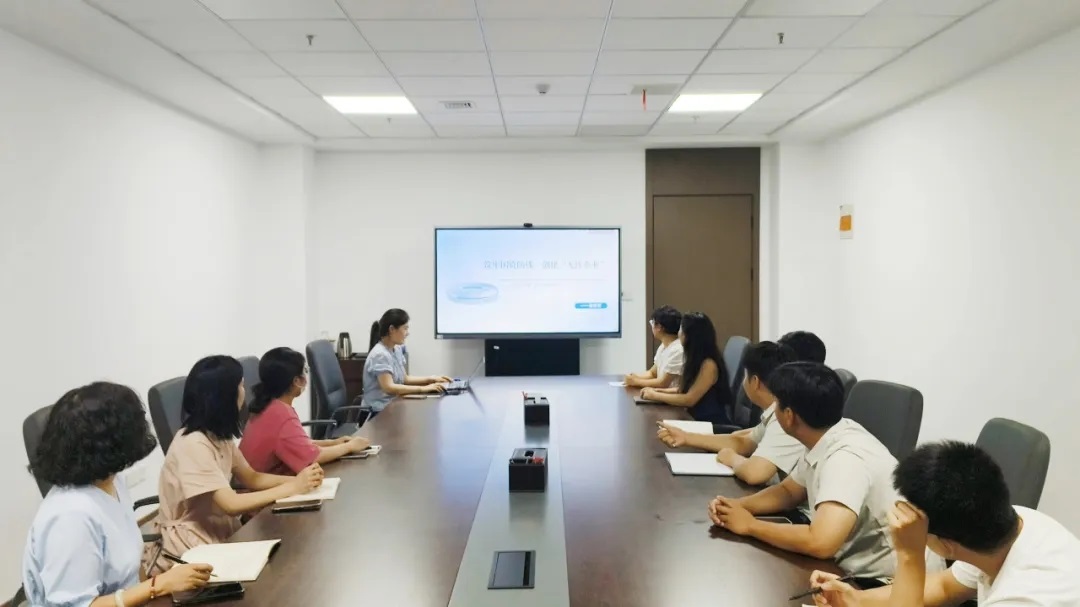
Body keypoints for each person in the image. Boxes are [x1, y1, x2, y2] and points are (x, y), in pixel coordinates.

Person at [810, 441, 1080, 607]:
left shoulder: (1026, 599)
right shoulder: (1012, 521)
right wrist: (856, 599)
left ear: (947, 546)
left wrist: (910, 556)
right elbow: (944, 587)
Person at [707, 362, 901, 585]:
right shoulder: (824, 435)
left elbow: (821, 542)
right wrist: (738, 506)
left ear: (789, 416)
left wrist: (750, 525)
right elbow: (788, 492)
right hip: (848, 562)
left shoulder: (846, 459)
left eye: (777, 404)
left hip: (883, 582)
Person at [23, 382, 214, 607]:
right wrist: (158, 586)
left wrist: (153, 590)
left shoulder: (111, 481)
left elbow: (133, 572)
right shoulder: (70, 516)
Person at [156, 355, 324, 559]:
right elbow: (232, 504)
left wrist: (302, 481)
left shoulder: (217, 435)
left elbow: (253, 478)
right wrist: (294, 486)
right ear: (225, 396)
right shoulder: (193, 444)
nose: (244, 392)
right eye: (241, 386)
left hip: (217, 529)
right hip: (190, 544)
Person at [657, 341, 803, 486]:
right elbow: (743, 443)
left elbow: (754, 473)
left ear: (755, 381)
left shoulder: (785, 417)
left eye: (745, 375)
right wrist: (686, 437)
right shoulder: (778, 409)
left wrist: (731, 457)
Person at [240, 347, 371, 475]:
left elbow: (300, 445)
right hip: (262, 487)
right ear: (297, 381)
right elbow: (312, 457)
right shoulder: (281, 415)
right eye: (305, 371)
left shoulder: (268, 405)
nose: (306, 376)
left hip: (258, 482)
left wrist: (333, 443)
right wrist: (349, 447)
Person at [640, 311, 732, 426]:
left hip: (708, 423)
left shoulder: (709, 365)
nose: (678, 334)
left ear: (689, 335)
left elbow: (689, 399)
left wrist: (655, 396)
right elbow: (684, 389)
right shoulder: (695, 359)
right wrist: (656, 391)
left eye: (681, 330)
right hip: (693, 418)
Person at [362, 308, 451, 414]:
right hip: (376, 413)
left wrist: (432, 379)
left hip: (392, 408)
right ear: (392, 329)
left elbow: (405, 379)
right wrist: (423, 389)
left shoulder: (396, 349)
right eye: (405, 328)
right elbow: (389, 388)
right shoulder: (380, 354)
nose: (407, 333)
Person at [625, 305, 684, 389]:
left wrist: (635, 381)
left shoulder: (678, 350)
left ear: (659, 327)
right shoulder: (664, 346)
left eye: (652, 323)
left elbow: (663, 383)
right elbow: (652, 373)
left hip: (670, 396)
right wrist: (635, 376)